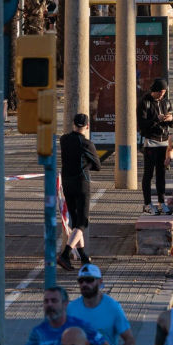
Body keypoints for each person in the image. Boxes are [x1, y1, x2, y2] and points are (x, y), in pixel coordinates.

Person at [21, 286, 112, 345]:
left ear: (65, 304)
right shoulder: (39, 332)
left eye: (54, 301)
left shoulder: (81, 326)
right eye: (46, 301)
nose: (49, 305)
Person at [58, 113, 101, 267]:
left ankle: (83, 256)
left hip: (67, 183)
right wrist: (85, 165)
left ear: (73, 124)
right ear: (87, 126)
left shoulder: (63, 139)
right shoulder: (87, 143)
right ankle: (65, 254)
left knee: (75, 221)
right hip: (82, 184)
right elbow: (97, 165)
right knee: (82, 223)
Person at [138, 79, 173, 214]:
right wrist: (156, 119)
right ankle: (147, 203)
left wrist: (171, 119)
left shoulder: (166, 102)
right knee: (148, 174)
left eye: (164, 92)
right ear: (154, 90)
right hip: (150, 142)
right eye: (160, 92)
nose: (161, 95)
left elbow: (172, 124)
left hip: (164, 141)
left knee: (162, 173)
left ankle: (161, 202)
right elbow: (142, 124)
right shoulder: (145, 102)